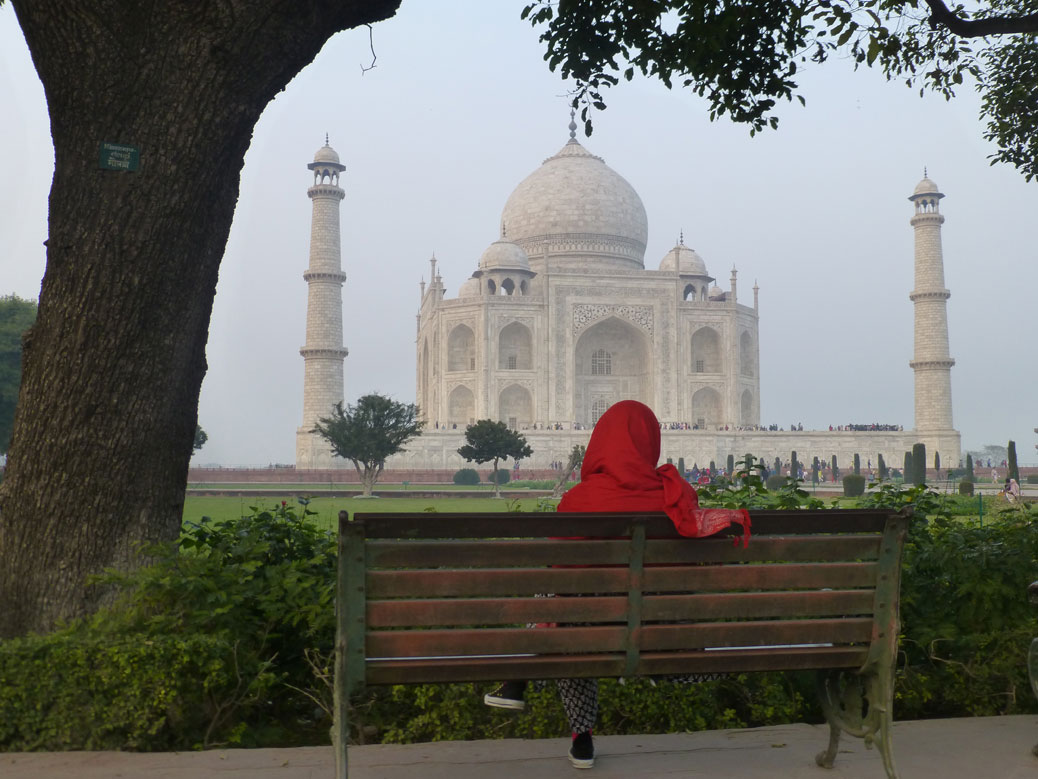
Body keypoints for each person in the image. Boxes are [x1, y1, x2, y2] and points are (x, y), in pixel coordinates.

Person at [483, 400, 750, 769]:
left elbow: (560, 567)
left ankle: (563, 719)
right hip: (662, 629)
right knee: (571, 603)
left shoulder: (579, 499)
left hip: (589, 627)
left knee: (557, 596)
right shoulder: (675, 494)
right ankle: (529, 683)